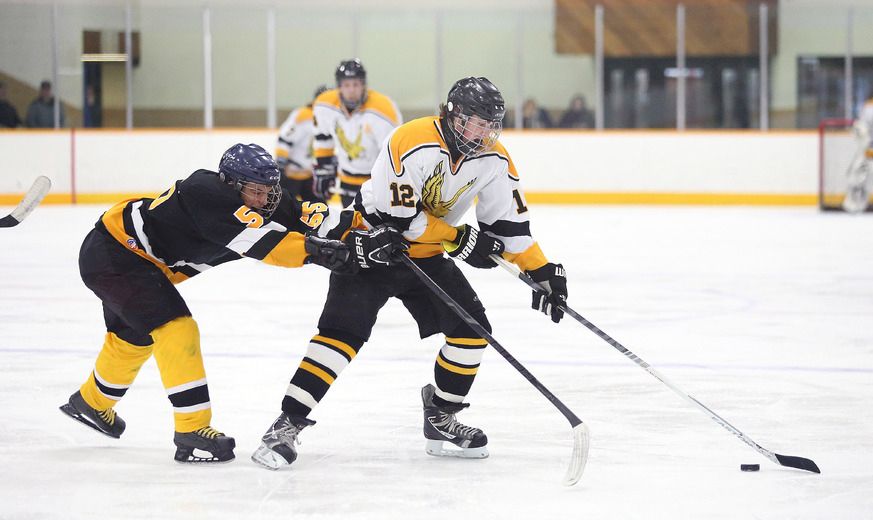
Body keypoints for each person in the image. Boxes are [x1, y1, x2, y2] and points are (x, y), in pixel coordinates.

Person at [251, 77, 569, 470]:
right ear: (453, 116)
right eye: (477, 123)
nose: (485, 133)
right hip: (372, 244)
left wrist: (541, 272)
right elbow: (399, 221)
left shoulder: (495, 159)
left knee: (472, 330)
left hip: (427, 256)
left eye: (492, 125)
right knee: (341, 335)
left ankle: (441, 416)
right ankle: (287, 423)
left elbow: (510, 228)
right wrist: (459, 238)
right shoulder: (411, 140)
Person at [59, 143, 391, 464]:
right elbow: (263, 244)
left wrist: (361, 227)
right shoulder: (204, 192)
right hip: (115, 253)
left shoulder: (263, 199)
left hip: (139, 263)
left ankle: (91, 402)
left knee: (133, 335)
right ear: (230, 184)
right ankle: (191, 430)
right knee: (177, 329)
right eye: (254, 191)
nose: (263, 199)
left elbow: (308, 217)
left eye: (268, 191)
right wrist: (316, 251)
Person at [312, 59, 402, 206]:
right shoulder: (325, 105)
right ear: (339, 86)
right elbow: (323, 139)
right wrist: (324, 168)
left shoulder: (383, 109)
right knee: (351, 226)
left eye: (356, 84)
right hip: (346, 183)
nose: (352, 90)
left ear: (363, 85)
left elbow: (392, 152)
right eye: (347, 85)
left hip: (375, 184)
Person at [275, 85, 328, 202]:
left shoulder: (326, 119)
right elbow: (285, 138)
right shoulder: (303, 115)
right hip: (291, 175)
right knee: (284, 209)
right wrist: (281, 165)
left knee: (320, 209)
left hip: (310, 175)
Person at [843, 94, 873, 213]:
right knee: (859, 173)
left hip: (867, 148)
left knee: (859, 172)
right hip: (867, 149)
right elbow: (861, 128)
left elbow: (860, 127)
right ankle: (856, 200)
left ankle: (856, 201)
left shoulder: (867, 107)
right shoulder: (868, 107)